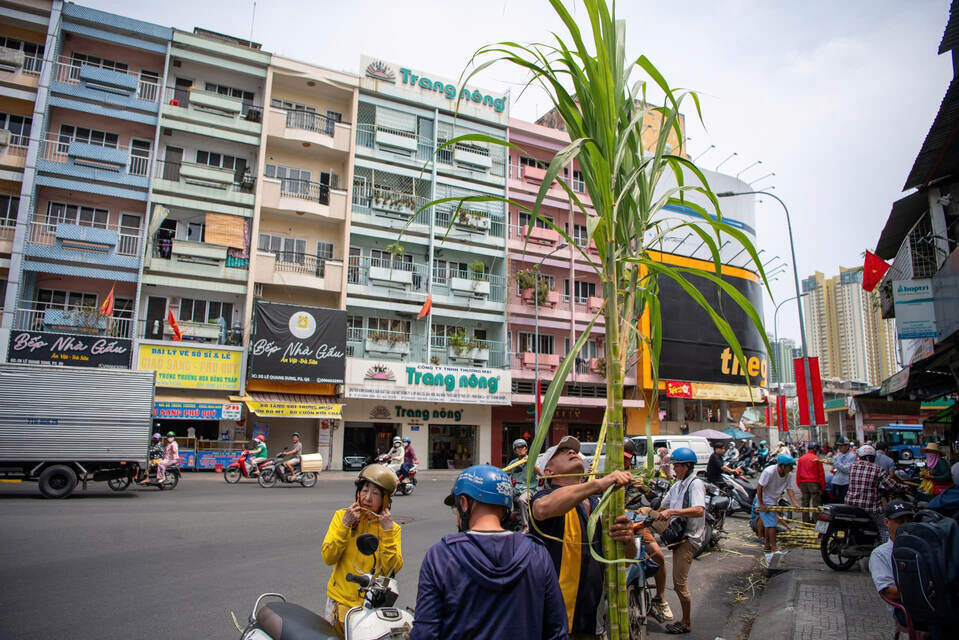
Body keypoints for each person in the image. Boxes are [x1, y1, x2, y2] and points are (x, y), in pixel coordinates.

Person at [409, 465, 567, 640]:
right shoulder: (537, 552)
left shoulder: (441, 555)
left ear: (463, 502)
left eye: (456, 509)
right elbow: (556, 631)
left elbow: (424, 633)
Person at [530, 436, 638, 639]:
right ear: (548, 472)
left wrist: (628, 538)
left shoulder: (598, 504)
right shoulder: (544, 497)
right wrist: (600, 483)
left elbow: (625, 560)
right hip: (554, 624)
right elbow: (543, 509)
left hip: (591, 624)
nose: (572, 452)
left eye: (574, 450)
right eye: (562, 452)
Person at [321, 465, 403, 634]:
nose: (367, 497)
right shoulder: (341, 517)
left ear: (385, 500)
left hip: (371, 609)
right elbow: (328, 557)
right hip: (339, 602)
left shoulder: (391, 529)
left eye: (375, 493)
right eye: (364, 490)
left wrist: (387, 532)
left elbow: (391, 569)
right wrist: (345, 525)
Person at [639, 447, 706, 634]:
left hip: (687, 539)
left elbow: (699, 510)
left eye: (677, 466)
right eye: (674, 465)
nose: (674, 469)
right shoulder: (676, 486)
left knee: (679, 584)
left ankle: (686, 623)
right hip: (674, 532)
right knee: (643, 512)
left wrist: (672, 512)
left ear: (687, 466)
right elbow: (661, 509)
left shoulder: (695, 484)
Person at [622, 442, 674, 625]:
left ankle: (660, 598)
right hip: (613, 525)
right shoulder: (603, 475)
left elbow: (657, 498)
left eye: (626, 459)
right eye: (620, 458)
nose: (623, 462)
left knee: (658, 555)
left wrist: (644, 488)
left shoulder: (639, 477)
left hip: (636, 524)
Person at [868, 501, 919, 631]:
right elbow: (889, 592)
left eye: (909, 521)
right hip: (907, 608)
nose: (905, 525)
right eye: (900, 521)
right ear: (886, 522)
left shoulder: (921, 546)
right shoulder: (880, 554)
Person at [845, 445, 902, 543]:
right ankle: (886, 547)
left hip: (850, 503)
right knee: (884, 526)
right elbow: (890, 485)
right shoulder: (877, 469)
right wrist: (902, 488)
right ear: (873, 457)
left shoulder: (852, 466)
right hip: (870, 507)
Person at [756, 454, 800, 563]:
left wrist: (795, 503)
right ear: (782, 466)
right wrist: (761, 504)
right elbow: (759, 487)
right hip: (764, 500)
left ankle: (767, 546)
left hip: (773, 500)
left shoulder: (788, 475)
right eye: (789, 466)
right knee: (772, 524)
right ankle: (774, 548)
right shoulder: (769, 472)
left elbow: (790, 489)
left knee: (769, 523)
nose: (791, 469)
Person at [505, 438, 540, 529]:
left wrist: (530, 462)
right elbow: (504, 473)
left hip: (529, 490)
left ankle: (526, 525)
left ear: (526, 449)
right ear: (515, 450)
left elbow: (541, 473)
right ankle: (506, 520)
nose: (520, 449)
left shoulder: (533, 460)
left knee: (522, 500)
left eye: (522, 447)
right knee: (504, 496)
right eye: (517, 448)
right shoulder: (513, 463)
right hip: (515, 490)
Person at [796, 444, 826, 523]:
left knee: (805, 503)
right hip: (814, 483)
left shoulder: (801, 459)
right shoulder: (817, 459)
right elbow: (821, 474)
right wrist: (823, 486)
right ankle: (815, 521)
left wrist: (799, 483)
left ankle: (805, 521)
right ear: (815, 449)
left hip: (803, 483)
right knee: (816, 503)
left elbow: (798, 473)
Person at [830, 439, 856, 503]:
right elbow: (834, 467)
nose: (839, 448)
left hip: (845, 482)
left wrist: (836, 464)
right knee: (836, 501)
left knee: (843, 502)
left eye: (841, 446)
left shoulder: (852, 456)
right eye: (838, 446)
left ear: (847, 446)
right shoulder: (838, 455)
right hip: (836, 481)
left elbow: (847, 469)